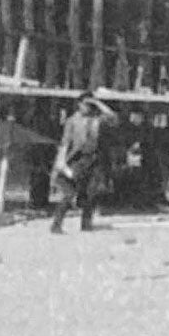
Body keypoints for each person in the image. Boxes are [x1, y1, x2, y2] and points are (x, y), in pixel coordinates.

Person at [51, 92, 119, 234]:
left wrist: (98, 103)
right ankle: (56, 224)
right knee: (69, 193)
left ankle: (86, 224)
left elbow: (113, 118)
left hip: (93, 158)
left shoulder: (98, 119)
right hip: (77, 158)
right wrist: (61, 163)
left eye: (89, 105)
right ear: (79, 104)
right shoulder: (72, 121)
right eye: (85, 104)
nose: (87, 107)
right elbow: (65, 143)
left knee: (91, 193)